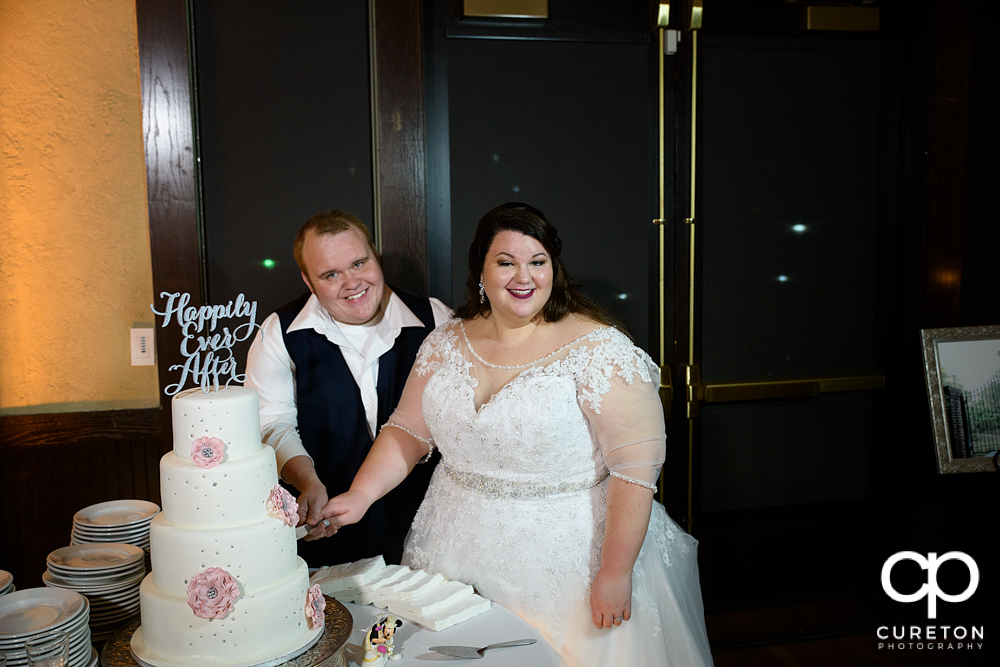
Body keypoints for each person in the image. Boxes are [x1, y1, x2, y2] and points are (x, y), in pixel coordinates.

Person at [325, 203, 714, 666]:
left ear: (554, 268)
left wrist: (615, 572)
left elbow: (634, 470)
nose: (523, 277)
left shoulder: (599, 349)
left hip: (567, 562)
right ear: (482, 272)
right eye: (506, 262)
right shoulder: (447, 340)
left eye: (537, 261)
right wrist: (360, 495)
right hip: (450, 549)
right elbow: (408, 431)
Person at [245, 209, 451, 567]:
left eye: (359, 263)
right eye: (330, 274)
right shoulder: (279, 333)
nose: (352, 282)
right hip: (327, 537)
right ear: (308, 282)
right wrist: (307, 480)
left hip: (422, 532)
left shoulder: (436, 319)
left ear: (375, 255)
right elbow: (272, 423)